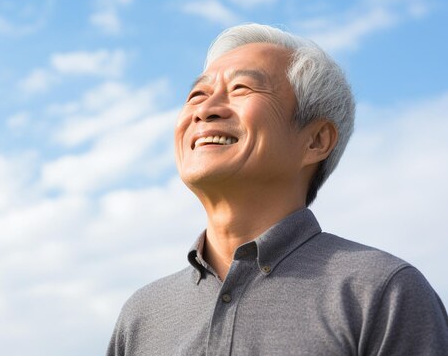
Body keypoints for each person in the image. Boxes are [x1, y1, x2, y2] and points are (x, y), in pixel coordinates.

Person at [106, 23, 448, 355]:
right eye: (198, 94)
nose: (205, 111)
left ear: (315, 140)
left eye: (241, 89)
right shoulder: (141, 315)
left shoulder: (381, 292)